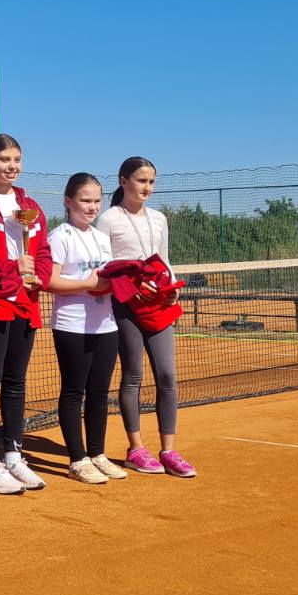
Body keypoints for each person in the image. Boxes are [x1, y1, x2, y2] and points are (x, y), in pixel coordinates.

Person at [95, 156, 196, 478]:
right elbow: (104, 265)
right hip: (125, 305)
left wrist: (171, 284)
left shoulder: (159, 218)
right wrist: (130, 288)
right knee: (133, 375)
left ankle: (169, 450)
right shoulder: (108, 219)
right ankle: (136, 448)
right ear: (123, 181)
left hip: (158, 303)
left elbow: (163, 258)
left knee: (167, 376)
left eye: (151, 181)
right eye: (141, 180)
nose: (147, 187)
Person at [0, 133, 54, 494]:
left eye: (17, 159)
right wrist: (11, 267)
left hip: (25, 301)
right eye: (4, 159)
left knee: (16, 381)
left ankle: (14, 455)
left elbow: (43, 250)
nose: (12, 166)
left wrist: (39, 276)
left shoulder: (29, 205)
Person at [45, 174, 127, 484]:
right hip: (72, 325)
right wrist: (88, 284)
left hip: (106, 325)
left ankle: (97, 454)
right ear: (68, 201)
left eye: (96, 201)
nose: (92, 207)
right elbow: (49, 281)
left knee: (99, 392)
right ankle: (78, 460)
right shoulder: (59, 237)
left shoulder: (102, 238)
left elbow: (109, 276)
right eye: (85, 200)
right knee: (73, 391)